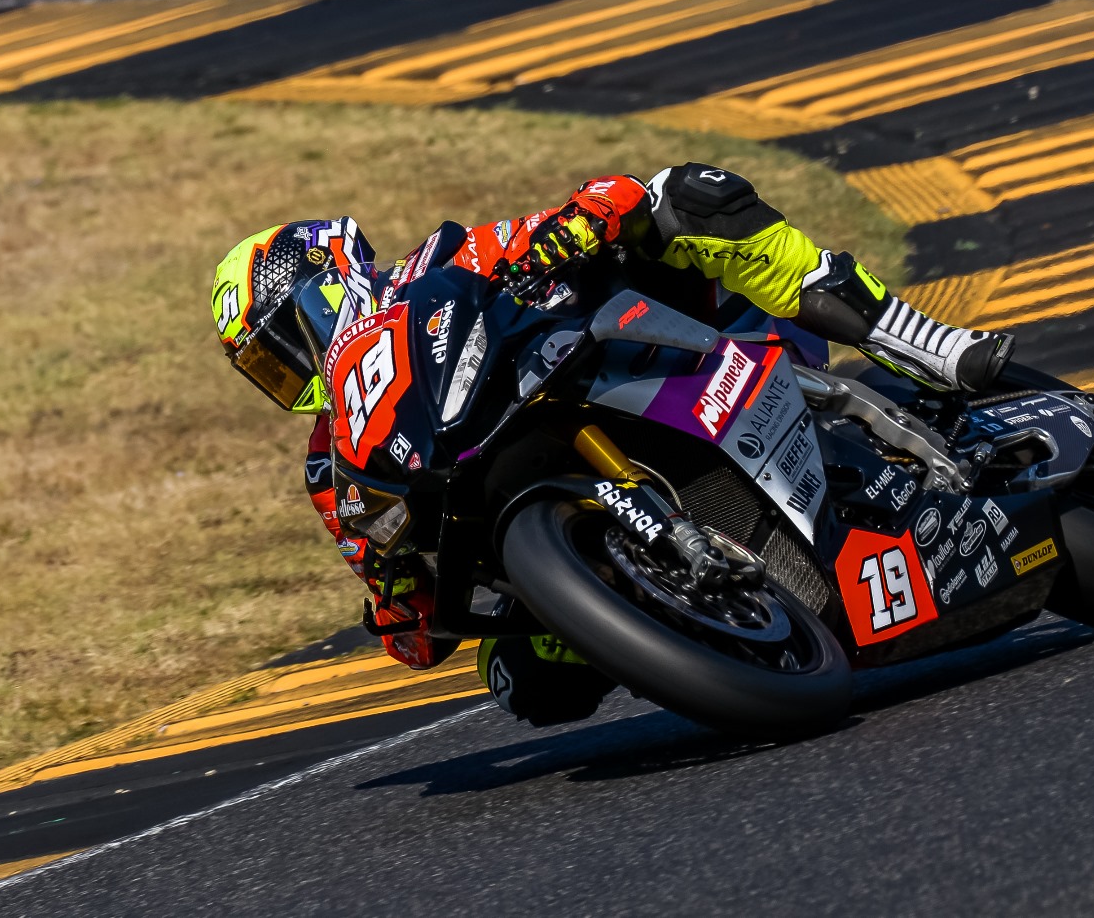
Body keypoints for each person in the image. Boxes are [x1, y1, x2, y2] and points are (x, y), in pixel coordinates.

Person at [211, 163, 1014, 727]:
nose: (286, 371)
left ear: (323, 279)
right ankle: (704, 616)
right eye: (263, 368)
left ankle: (913, 340)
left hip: (639, 356)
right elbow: (416, 636)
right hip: (515, 496)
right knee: (526, 686)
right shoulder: (334, 465)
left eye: (279, 344)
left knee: (683, 196)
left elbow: (609, 197)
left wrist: (574, 229)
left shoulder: (435, 262)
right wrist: (394, 596)